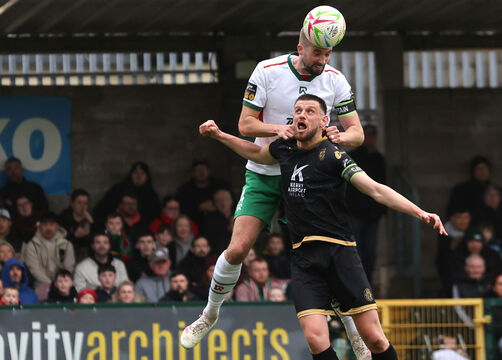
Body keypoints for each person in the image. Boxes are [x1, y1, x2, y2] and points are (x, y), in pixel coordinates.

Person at [183, 94, 447, 360]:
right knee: (315, 340)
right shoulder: (283, 148)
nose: (301, 115)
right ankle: (209, 313)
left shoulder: (334, 155)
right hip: (304, 259)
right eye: (298, 110)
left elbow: (376, 190)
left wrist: (420, 212)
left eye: (309, 111)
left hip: (341, 253)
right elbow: (256, 153)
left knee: (376, 340)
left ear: (324, 121)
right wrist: (220, 135)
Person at [183, 23, 366, 353]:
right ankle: (209, 314)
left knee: (322, 253)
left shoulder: (336, 80)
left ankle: (353, 331)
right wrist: (282, 130)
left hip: (310, 175)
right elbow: (246, 124)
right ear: (300, 48)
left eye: (327, 53)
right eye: (317, 53)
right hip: (265, 171)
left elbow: (357, 133)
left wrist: (340, 136)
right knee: (238, 249)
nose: (322, 59)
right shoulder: (267, 71)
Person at [345, 124, 387, 285]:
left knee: (370, 253)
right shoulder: (352, 156)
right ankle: (358, 286)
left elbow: (382, 185)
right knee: (356, 252)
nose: (370, 139)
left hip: (372, 215)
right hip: (354, 213)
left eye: (372, 136)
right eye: (367, 135)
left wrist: (381, 211)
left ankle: (367, 286)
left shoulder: (378, 159)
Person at [93, 161, 161, 226]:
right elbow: (102, 210)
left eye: (142, 173)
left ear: (147, 176)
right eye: (135, 173)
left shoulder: (151, 196)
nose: (139, 176)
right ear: (131, 175)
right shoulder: (118, 190)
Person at [24, 212, 76, 293]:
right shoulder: (32, 245)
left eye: (52, 224)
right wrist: (51, 284)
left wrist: (60, 283)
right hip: (40, 285)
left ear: (57, 226)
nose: (48, 228)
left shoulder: (67, 244)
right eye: (45, 225)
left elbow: (69, 267)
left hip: (63, 284)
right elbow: (34, 270)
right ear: (39, 226)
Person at [175, 160, 230, 225]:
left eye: (203, 169)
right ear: (193, 173)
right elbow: (182, 210)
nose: (201, 172)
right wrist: (199, 207)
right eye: (198, 170)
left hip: (219, 222)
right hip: (194, 224)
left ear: (209, 171)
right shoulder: (185, 190)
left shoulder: (219, 185)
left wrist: (215, 205)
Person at [59, 188, 94, 262]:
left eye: (85, 203)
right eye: (79, 202)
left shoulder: (91, 217)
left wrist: (91, 223)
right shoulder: (64, 218)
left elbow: (97, 238)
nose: (83, 206)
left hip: (87, 253)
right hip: (69, 253)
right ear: (72, 203)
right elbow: (60, 240)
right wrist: (74, 236)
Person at [201, 188, 234, 255]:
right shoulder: (210, 220)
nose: (223, 203)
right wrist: (228, 229)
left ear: (231, 201)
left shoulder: (238, 215)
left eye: (225, 199)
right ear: (215, 204)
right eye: (219, 200)